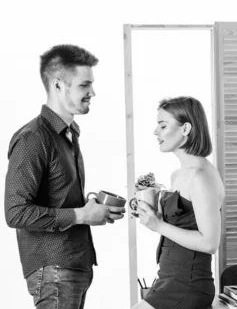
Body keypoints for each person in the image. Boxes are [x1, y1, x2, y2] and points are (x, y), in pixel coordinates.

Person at [4, 44, 126, 309]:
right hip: (54, 269)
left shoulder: (69, 133)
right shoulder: (33, 138)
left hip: (71, 265)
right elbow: (15, 212)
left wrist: (93, 209)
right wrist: (82, 215)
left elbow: (59, 199)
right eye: (85, 85)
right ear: (58, 86)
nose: (92, 92)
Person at [132, 96, 224, 309]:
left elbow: (210, 243)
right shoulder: (177, 175)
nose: (156, 132)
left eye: (163, 125)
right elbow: (183, 224)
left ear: (185, 129)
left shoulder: (201, 176)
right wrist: (151, 214)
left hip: (188, 286)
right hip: (168, 280)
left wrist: (159, 225)